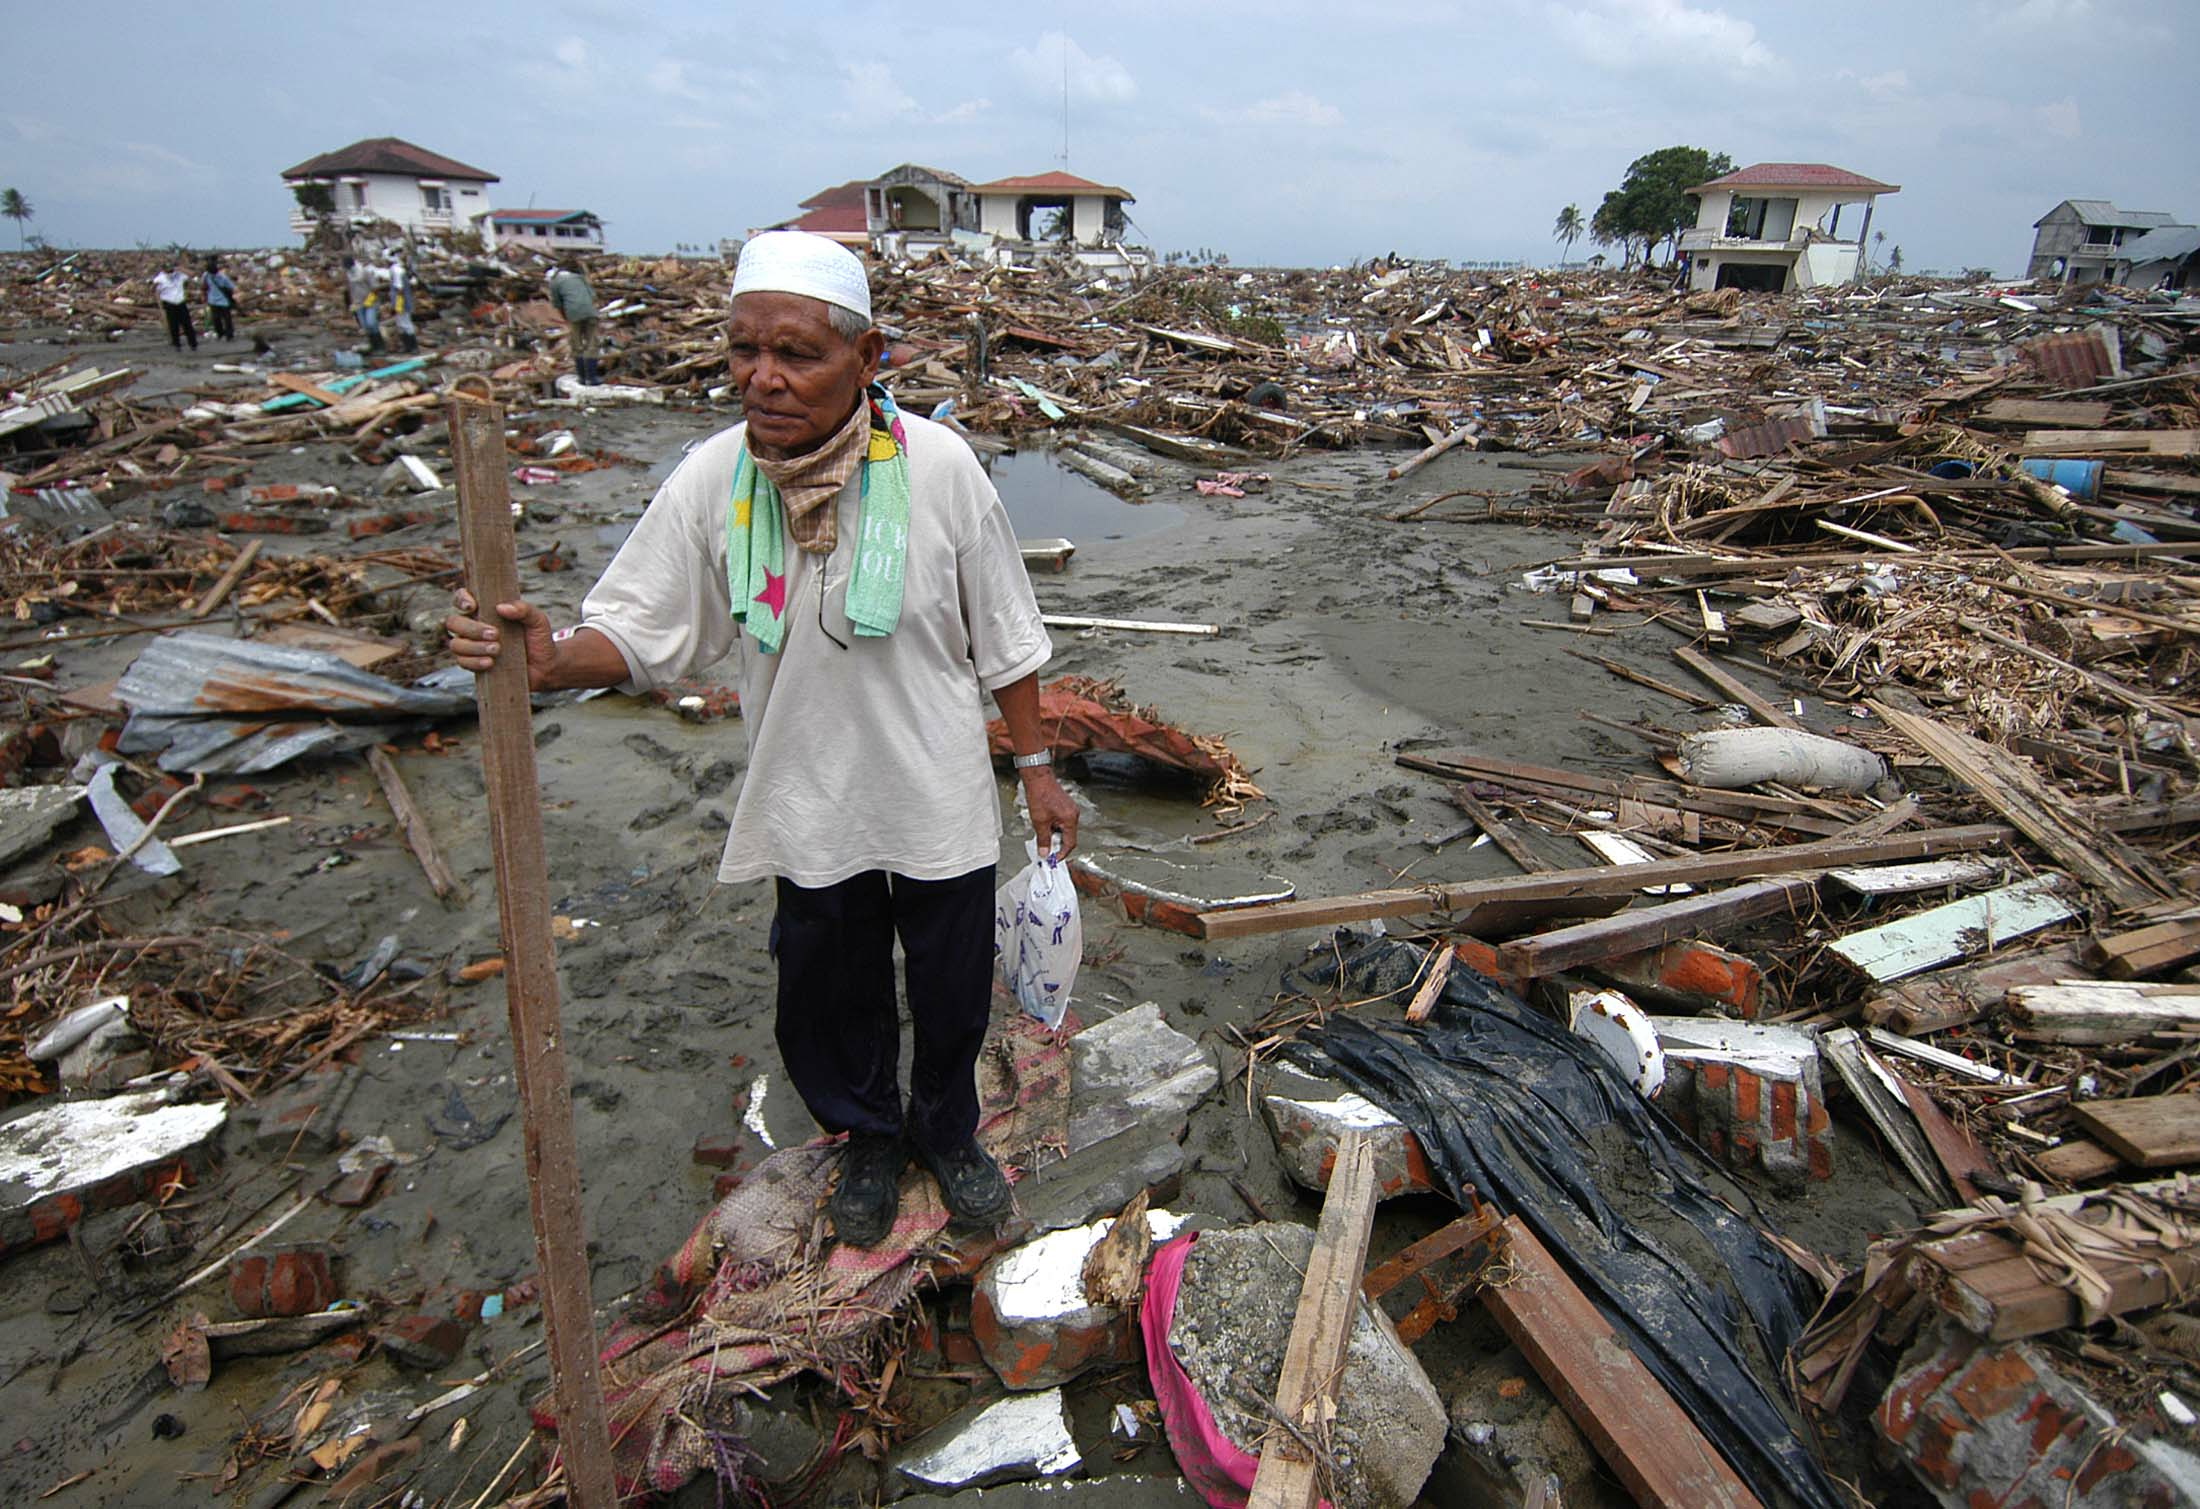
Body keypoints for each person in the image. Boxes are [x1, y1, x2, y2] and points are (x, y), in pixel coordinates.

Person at [447, 231, 1078, 1248]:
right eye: (744, 351)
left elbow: (1006, 634)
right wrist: (549, 658)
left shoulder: (941, 468)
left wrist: (1038, 769)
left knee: (954, 989)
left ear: (869, 360)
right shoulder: (717, 478)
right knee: (830, 996)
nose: (763, 379)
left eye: (796, 354)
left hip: (936, 791)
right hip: (806, 793)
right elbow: (641, 625)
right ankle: (869, 1139)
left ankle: (948, 1132)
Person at [544, 259, 600, 386]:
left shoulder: (555, 282)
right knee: (592, 344)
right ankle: (592, 378)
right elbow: (593, 296)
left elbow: (557, 304)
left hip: (573, 314)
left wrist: (565, 318)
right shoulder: (580, 278)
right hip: (591, 312)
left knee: (577, 345)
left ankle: (582, 377)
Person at [153, 259, 197, 351]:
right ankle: (177, 344)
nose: (170, 272)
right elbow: (156, 292)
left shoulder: (179, 275)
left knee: (187, 324)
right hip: (169, 303)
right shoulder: (160, 279)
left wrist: (180, 268)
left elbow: (193, 274)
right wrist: (160, 307)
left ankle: (193, 344)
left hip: (180, 302)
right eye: (168, 270)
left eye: (171, 270)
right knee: (173, 325)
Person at [343, 255, 384, 354]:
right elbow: (349, 289)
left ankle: (380, 347)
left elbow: (375, 288)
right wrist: (350, 303)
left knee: (371, 322)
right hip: (358, 303)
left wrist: (369, 301)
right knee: (365, 326)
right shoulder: (349, 275)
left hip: (370, 302)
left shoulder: (364, 272)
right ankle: (374, 347)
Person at [385, 252, 419, 354]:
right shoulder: (399, 269)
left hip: (402, 301)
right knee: (401, 324)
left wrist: (397, 305)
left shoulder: (396, 271)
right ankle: (407, 346)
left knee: (406, 323)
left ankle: (413, 347)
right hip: (402, 300)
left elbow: (399, 288)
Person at [202, 257, 236, 343]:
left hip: (223, 301)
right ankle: (221, 334)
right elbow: (204, 286)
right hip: (213, 300)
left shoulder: (222, 277)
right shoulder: (206, 275)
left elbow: (231, 287)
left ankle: (229, 335)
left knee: (226, 319)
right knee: (217, 319)